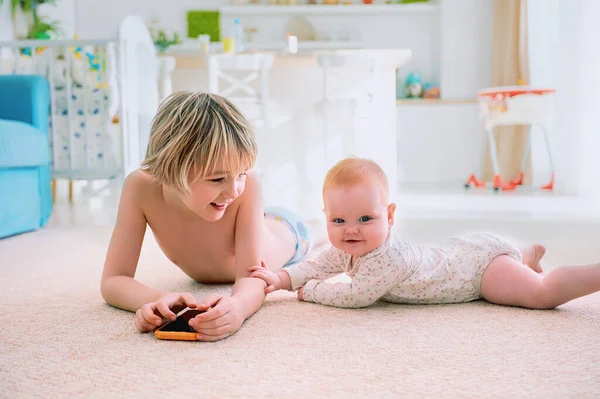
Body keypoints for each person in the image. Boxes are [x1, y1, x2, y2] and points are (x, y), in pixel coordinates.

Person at [101, 91, 320, 341]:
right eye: (218, 179)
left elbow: (252, 278)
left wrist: (238, 307)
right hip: (258, 223)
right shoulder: (140, 187)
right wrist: (159, 300)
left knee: (319, 233)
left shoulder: (247, 188)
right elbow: (113, 280)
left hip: (287, 232)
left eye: (242, 173)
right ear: (171, 167)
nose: (235, 190)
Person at [249, 157, 600, 310]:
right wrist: (280, 278)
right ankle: (526, 253)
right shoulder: (354, 244)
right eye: (338, 221)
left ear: (390, 216)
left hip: (478, 273)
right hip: (465, 251)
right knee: (511, 260)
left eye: (365, 219)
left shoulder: (387, 258)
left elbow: (355, 295)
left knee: (539, 294)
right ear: (326, 217)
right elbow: (320, 264)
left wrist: (310, 293)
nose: (351, 230)